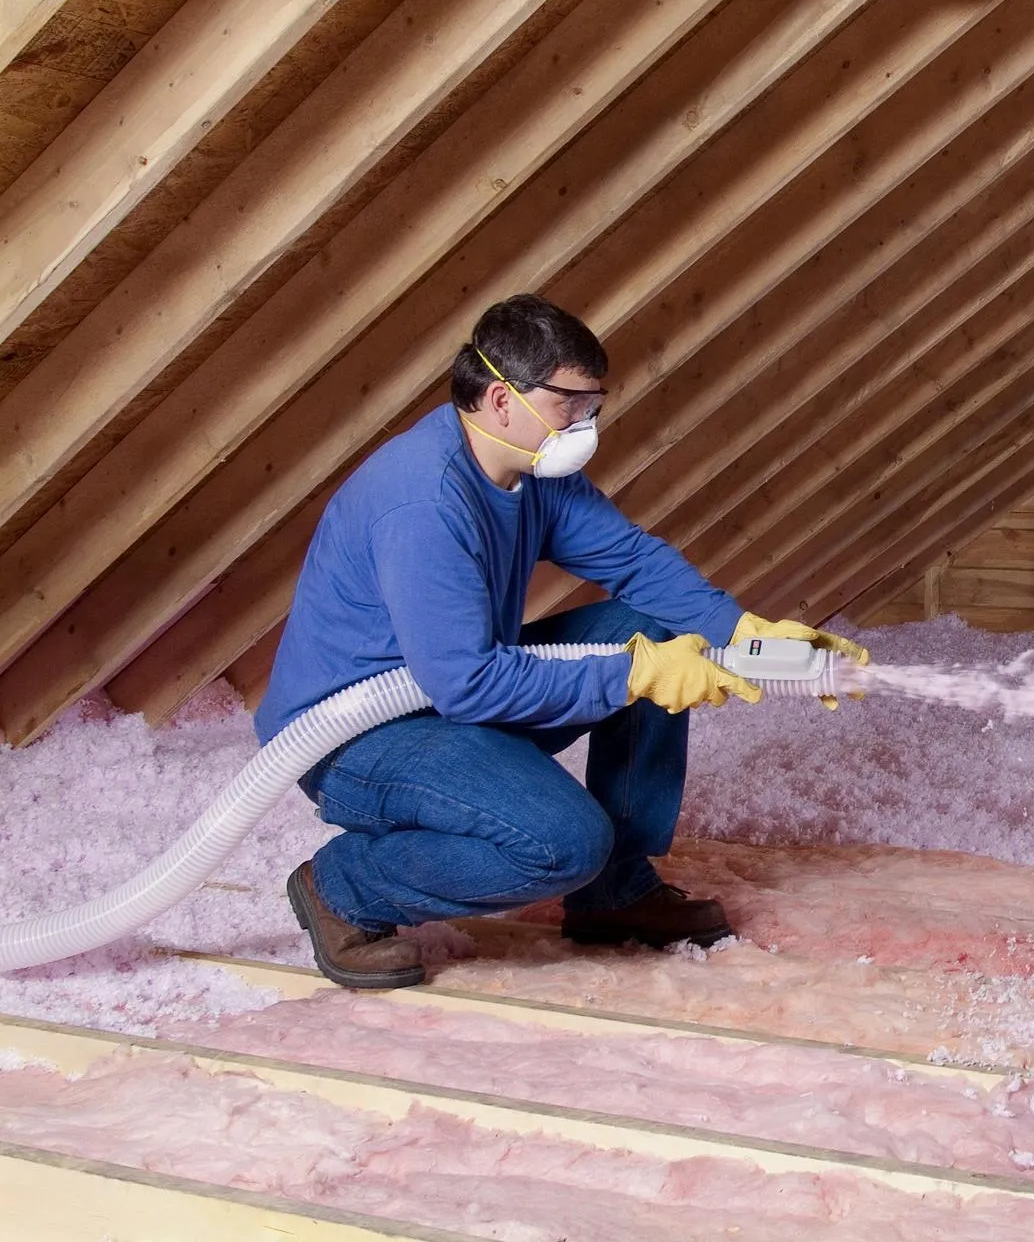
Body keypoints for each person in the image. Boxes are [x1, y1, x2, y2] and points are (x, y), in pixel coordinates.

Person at [256, 294, 866, 989]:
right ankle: (344, 887)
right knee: (563, 843)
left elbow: (631, 560)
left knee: (651, 627)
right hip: (357, 739)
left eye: (592, 405)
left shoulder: (530, 470)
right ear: (501, 398)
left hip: (449, 701)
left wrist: (743, 633)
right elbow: (469, 684)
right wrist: (632, 675)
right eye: (568, 404)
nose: (584, 424)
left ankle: (616, 891)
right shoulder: (423, 502)